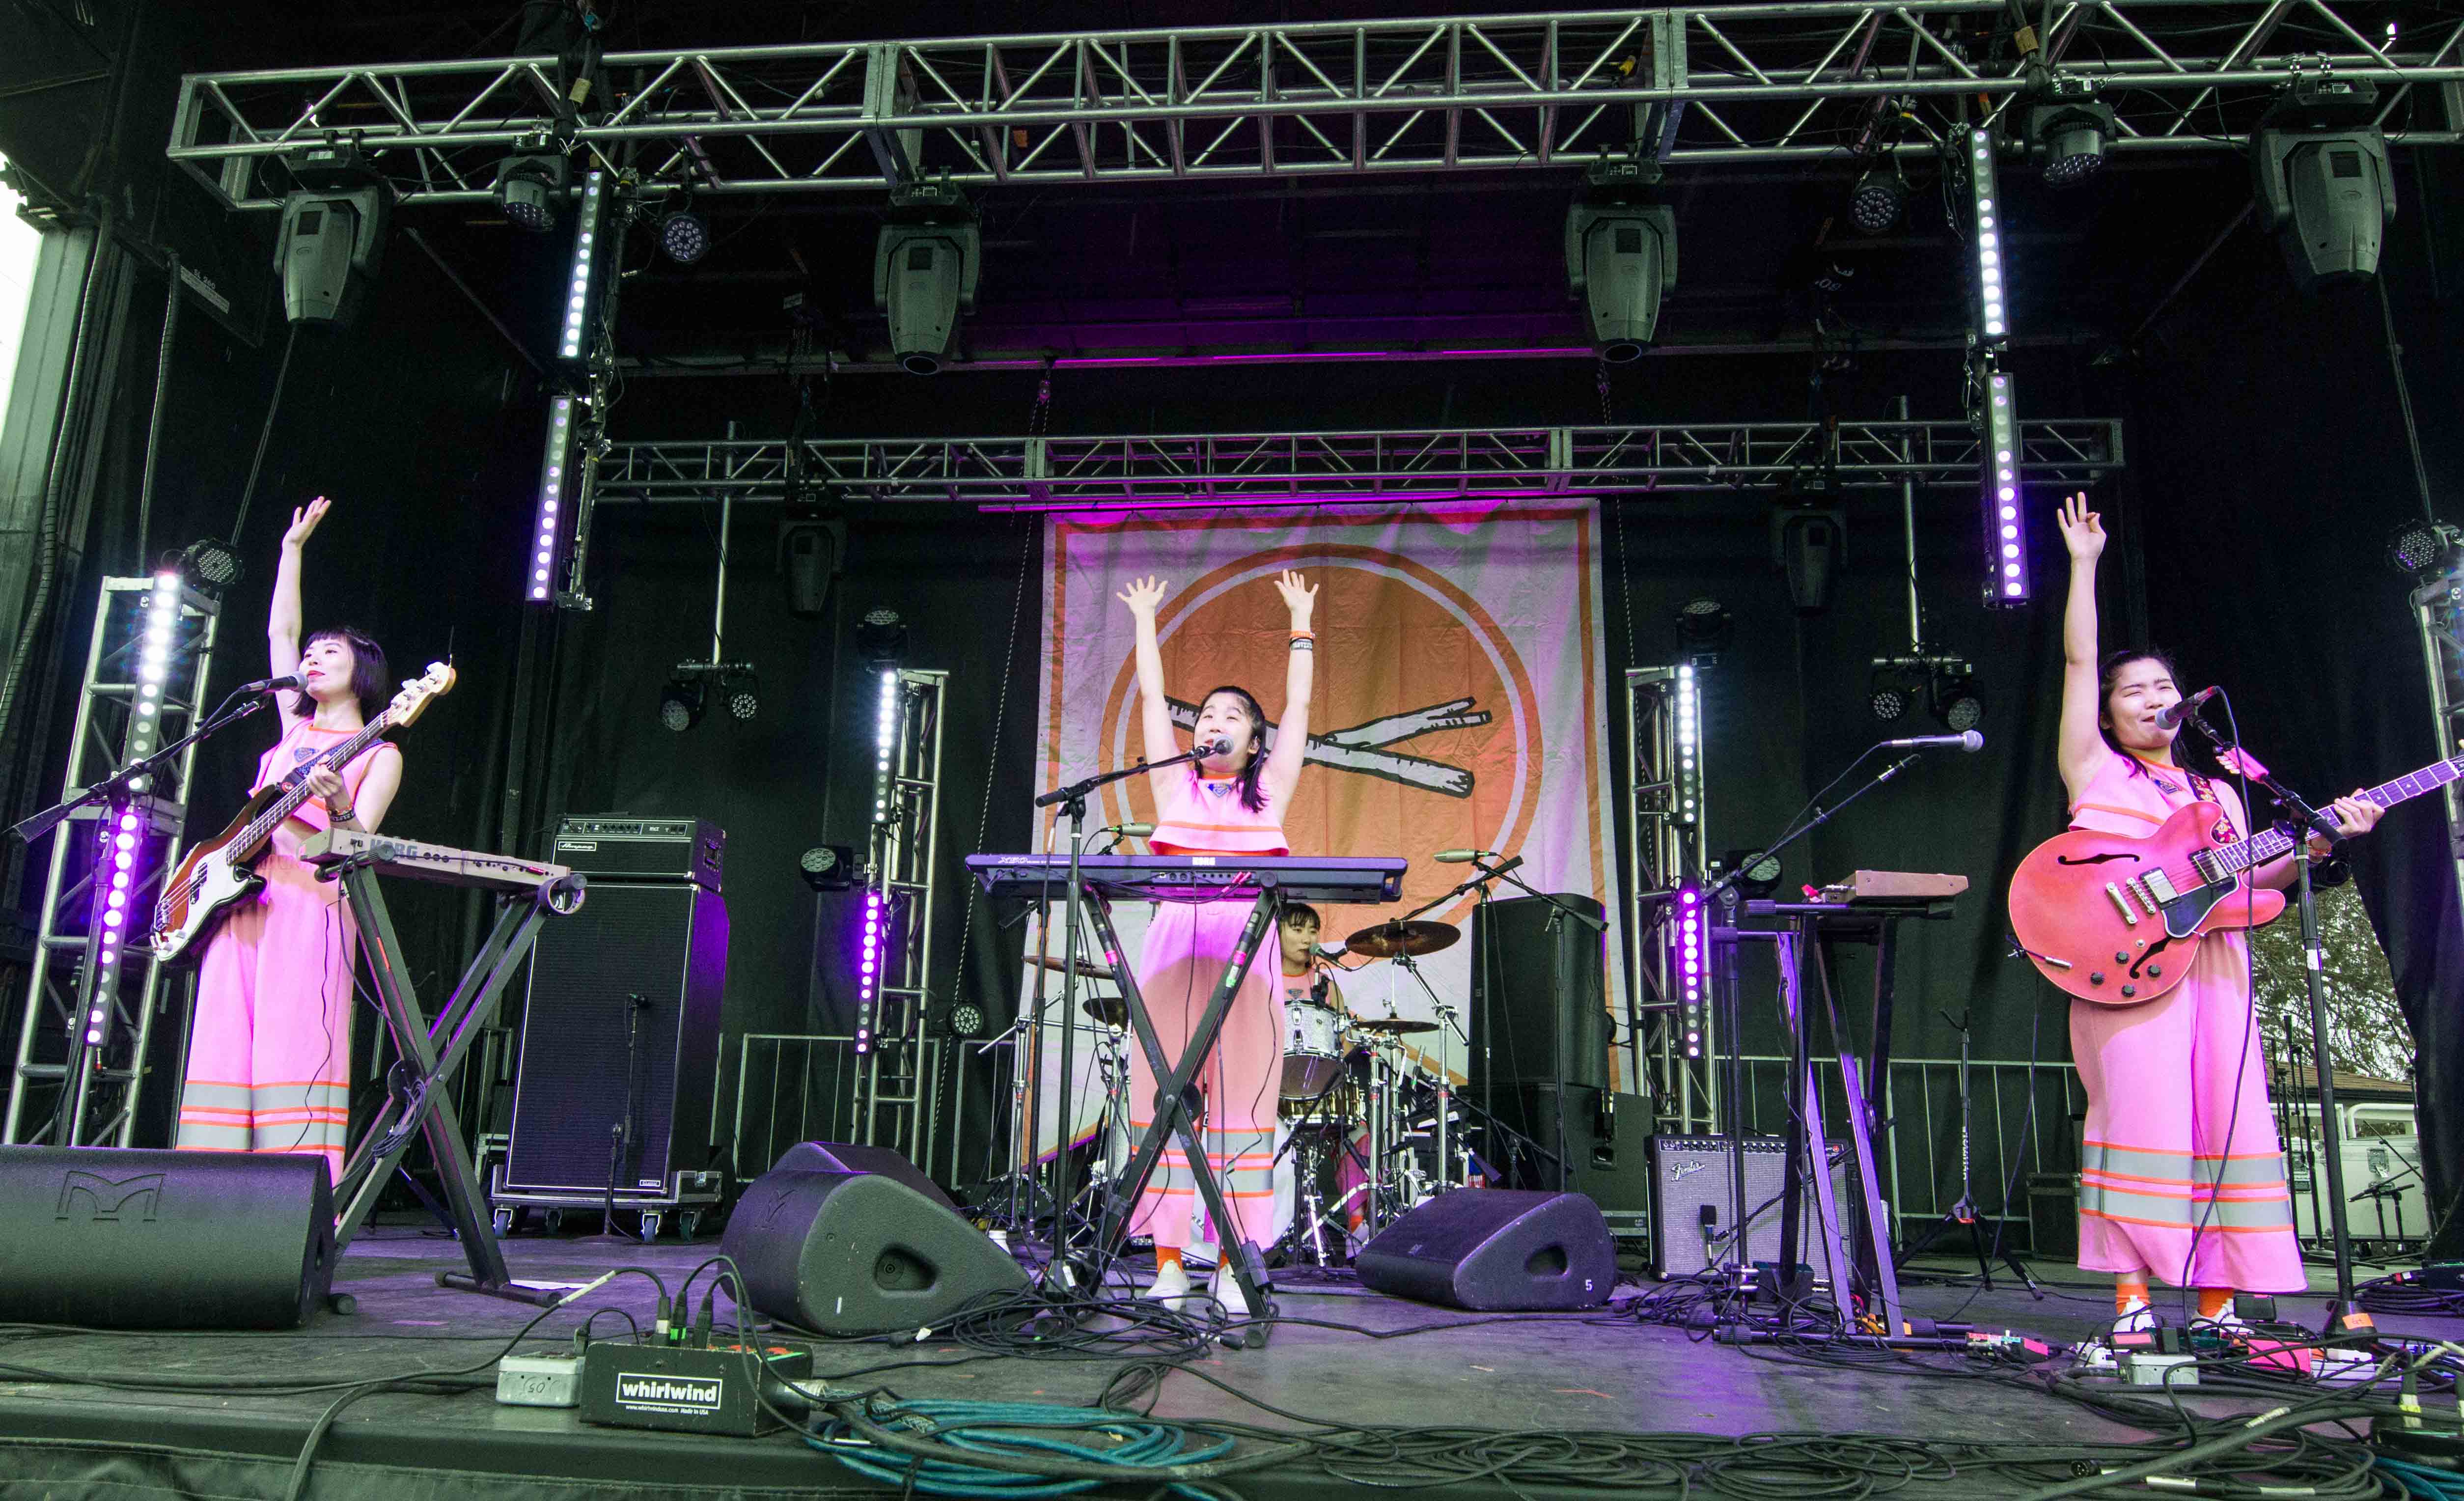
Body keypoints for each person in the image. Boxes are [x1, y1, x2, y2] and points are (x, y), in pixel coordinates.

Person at [2055, 492, 2381, 1335]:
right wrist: (2084, 567)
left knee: (2222, 1122)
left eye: (2163, 687)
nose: (2151, 699)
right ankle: (2131, 1303)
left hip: (2215, 967)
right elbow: (2078, 663)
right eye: (2133, 691)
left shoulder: (2220, 792)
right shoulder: (2096, 770)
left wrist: (2319, 840)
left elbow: (2252, 877)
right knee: (2139, 1121)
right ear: (2108, 712)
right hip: (2128, 968)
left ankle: (2215, 1306)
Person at [175, 497, 403, 1184]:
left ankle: (294, 1194)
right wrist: (291, 551)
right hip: (244, 892)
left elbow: (357, 843)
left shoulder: (381, 752)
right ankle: (207, 1186)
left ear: (363, 672)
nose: (311, 658)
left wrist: (336, 804)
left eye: (330, 652)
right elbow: (281, 630)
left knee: (293, 1038)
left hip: (310, 905)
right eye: (311, 653)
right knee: (225, 1035)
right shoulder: (294, 726)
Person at [1117, 568, 1316, 1312]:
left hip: (1247, 950)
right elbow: (1150, 701)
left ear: (1254, 740)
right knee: (1161, 1100)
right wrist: (1145, 622)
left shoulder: (1270, 795)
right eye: (1205, 714)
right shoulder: (1173, 789)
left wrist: (1301, 625)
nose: (1213, 723)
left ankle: (1234, 1264)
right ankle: (1168, 1263)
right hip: (1174, 947)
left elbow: (1299, 707)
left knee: (1242, 1109)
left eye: (1231, 715)